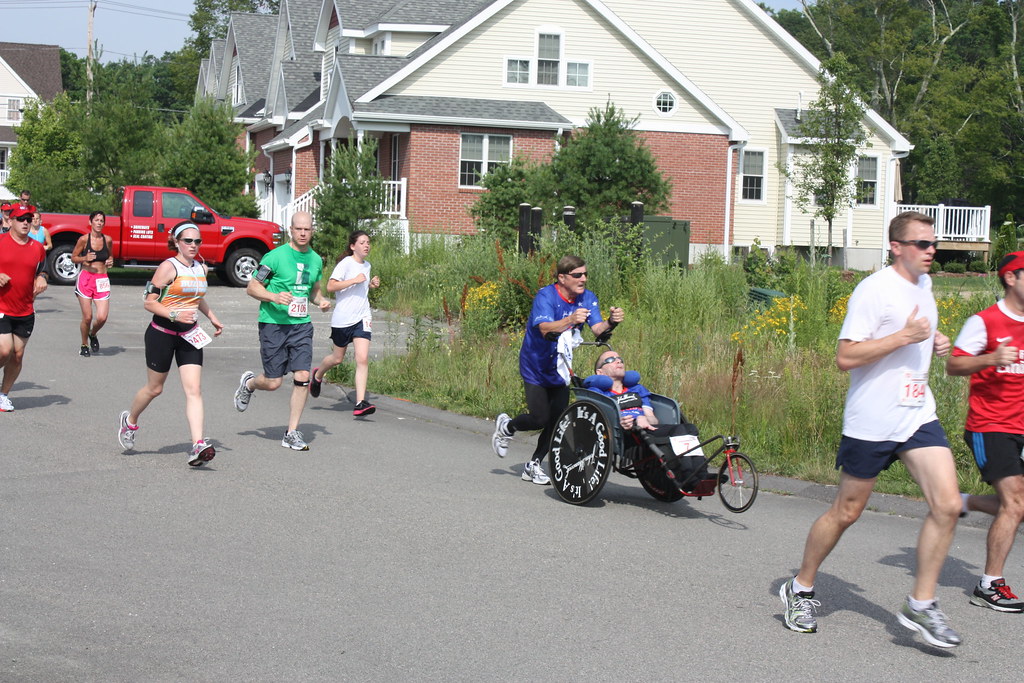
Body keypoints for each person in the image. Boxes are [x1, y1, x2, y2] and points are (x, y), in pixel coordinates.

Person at [779, 211, 963, 648]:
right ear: (896, 247)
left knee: (949, 505)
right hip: (873, 418)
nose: (931, 251)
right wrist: (904, 336)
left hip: (917, 412)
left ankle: (921, 604)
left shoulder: (926, 285)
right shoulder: (874, 290)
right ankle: (801, 588)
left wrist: (937, 341)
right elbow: (846, 356)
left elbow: (919, 336)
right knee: (847, 511)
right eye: (922, 244)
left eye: (933, 244)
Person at [491, 255, 624, 485]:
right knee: (539, 418)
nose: (583, 278)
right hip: (535, 364)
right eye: (577, 275)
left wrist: (612, 322)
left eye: (585, 274)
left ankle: (533, 465)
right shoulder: (546, 295)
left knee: (557, 420)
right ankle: (507, 426)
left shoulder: (588, 298)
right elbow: (544, 328)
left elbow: (598, 330)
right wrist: (571, 319)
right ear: (562, 278)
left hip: (560, 367)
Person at [945, 251, 1024, 613]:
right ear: (1011, 278)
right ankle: (989, 584)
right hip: (991, 425)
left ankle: (965, 502)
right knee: (1015, 502)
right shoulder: (985, 322)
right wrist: (991, 359)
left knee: (1019, 505)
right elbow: (954, 364)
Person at [117, 222, 224, 466]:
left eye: (197, 241)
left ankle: (197, 444)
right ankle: (130, 420)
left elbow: (197, 297)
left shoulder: (201, 268)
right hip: (162, 333)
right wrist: (174, 315)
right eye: (188, 241)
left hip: (190, 335)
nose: (193, 246)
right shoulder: (168, 267)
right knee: (155, 388)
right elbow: (149, 301)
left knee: (194, 390)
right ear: (176, 242)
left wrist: (212, 317)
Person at [233, 211, 330, 451]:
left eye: (307, 229)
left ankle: (292, 432)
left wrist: (322, 301)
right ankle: (250, 384)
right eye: (299, 229)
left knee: (302, 377)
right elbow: (253, 287)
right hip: (273, 324)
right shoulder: (274, 257)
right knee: (274, 382)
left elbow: (313, 290)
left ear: (312, 230)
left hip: (301, 326)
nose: (303, 233)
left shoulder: (316, 260)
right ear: (291, 230)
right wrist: (274, 296)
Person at [588, 349, 709, 488]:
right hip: (626, 434)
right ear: (600, 372)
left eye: (619, 358)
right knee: (680, 431)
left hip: (647, 428)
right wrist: (624, 421)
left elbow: (652, 418)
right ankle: (690, 477)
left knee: (688, 428)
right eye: (610, 360)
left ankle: (701, 475)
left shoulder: (637, 390)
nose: (618, 361)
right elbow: (600, 418)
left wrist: (643, 418)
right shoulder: (598, 393)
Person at [310, 230, 380, 416]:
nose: (367, 245)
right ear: (352, 246)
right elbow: (331, 287)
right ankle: (317, 375)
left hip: (362, 317)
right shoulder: (345, 264)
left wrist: (370, 285)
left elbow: (360, 289)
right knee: (337, 359)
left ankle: (360, 402)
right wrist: (354, 280)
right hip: (343, 318)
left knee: (362, 358)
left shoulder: (367, 265)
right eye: (363, 242)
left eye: (368, 242)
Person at [0, 204, 50, 412]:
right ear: (10, 221)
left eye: (28, 219)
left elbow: (44, 270)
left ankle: (3, 395)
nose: (25, 222)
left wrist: (42, 278)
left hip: (25, 309)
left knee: (18, 355)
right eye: (21, 219)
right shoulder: (1, 243)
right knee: (4, 350)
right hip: (2, 306)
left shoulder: (37, 248)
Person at [71, 211, 113, 356]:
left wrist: (110, 261)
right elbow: (73, 257)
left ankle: (92, 333)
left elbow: (110, 255)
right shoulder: (83, 239)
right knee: (88, 317)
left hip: (102, 279)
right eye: (96, 220)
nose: (99, 223)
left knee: (102, 317)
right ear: (90, 222)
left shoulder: (107, 240)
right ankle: (84, 345)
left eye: (102, 221)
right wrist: (84, 258)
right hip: (86, 279)